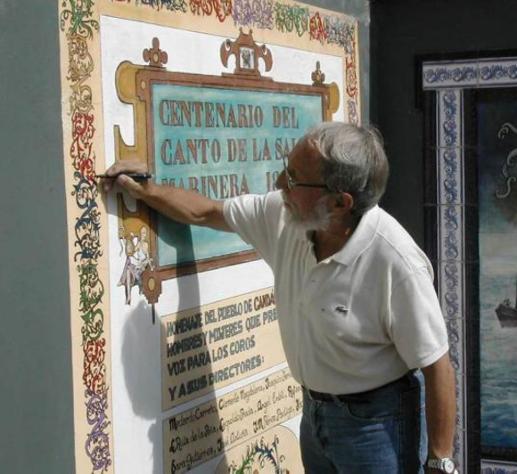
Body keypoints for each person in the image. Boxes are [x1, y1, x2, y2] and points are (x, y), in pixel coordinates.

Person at [103, 122, 457, 474]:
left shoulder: (395, 260)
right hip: (315, 414)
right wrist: (146, 188)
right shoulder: (283, 216)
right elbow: (206, 211)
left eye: (292, 178)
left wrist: (439, 463)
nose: (278, 185)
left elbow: (437, 365)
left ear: (339, 202)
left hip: (376, 427)